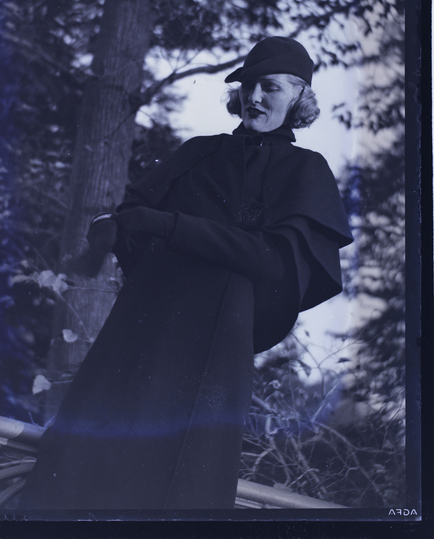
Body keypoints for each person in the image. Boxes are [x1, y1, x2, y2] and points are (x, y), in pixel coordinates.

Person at [18, 36, 353, 511]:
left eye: (271, 87)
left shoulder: (307, 170)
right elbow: (134, 218)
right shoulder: (197, 152)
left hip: (214, 344)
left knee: (177, 483)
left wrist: (168, 226)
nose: (254, 97)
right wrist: (114, 229)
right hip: (141, 323)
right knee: (81, 463)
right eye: (248, 85)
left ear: (300, 97)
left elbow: (273, 262)